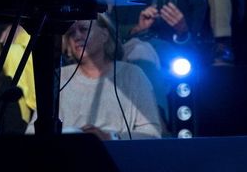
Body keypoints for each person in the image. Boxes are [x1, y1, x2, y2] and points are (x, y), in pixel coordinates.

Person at [28, 14, 163, 139]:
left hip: (116, 159)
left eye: (84, 29)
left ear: (104, 34)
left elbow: (152, 132)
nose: (77, 36)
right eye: (71, 33)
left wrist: (110, 137)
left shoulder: (132, 75)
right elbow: (32, 131)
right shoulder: (59, 77)